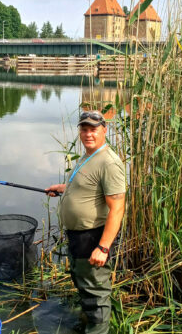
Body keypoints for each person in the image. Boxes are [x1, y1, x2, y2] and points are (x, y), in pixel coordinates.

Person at [46, 110, 126, 334]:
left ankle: (98, 329)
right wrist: (63, 189)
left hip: (93, 237)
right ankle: (88, 322)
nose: (88, 134)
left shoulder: (109, 163)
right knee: (84, 285)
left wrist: (103, 247)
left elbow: (117, 208)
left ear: (104, 130)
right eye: (84, 129)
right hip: (78, 237)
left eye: (93, 129)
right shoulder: (89, 155)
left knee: (96, 294)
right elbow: (89, 187)